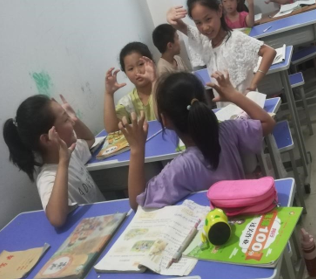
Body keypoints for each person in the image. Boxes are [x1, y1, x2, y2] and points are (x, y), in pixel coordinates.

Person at [119, 71, 276, 209]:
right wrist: (234, 95)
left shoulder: (181, 167)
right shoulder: (228, 131)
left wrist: (137, 148)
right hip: (244, 211)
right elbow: (268, 123)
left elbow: (138, 202)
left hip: (212, 227)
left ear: (165, 120)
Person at [3, 95, 103, 227]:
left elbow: (89, 139)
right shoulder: (47, 178)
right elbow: (56, 219)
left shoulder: (71, 152)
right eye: (66, 119)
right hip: (92, 228)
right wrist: (63, 163)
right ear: (47, 139)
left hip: (104, 218)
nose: (72, 123)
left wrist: (74, 118)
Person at [166, 0, 276, 100]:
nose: (205, 27)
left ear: (219, 11)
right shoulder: (204, 41)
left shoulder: (236, 38)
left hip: (247, 103)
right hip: (226, 106)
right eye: (198, 23)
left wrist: (253, 84)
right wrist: (170, 17)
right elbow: (182, 27)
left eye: (208, 19)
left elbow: (269, 52)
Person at [103, 42, 157, 132]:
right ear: (125, 73)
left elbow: (163, 117)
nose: (137, 72)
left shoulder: (166, 89)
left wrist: (154, 80)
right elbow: (112, 129)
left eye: (141, 64)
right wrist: (109, 94)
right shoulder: (128, 102)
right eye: (130, 69)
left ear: (151, 62)